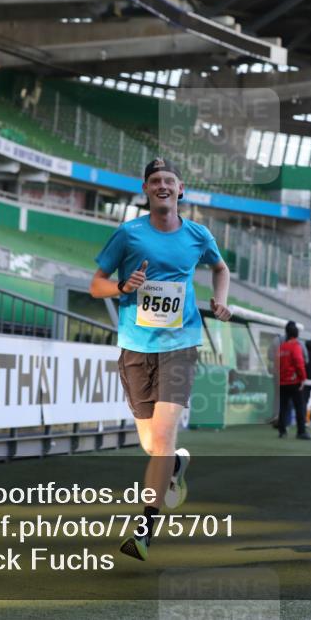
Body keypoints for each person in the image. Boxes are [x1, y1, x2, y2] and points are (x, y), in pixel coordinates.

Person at [90, 157, 231, 562]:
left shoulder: (198, 235)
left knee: (165, 437)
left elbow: (220, 269)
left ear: (180, 189)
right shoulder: (127, 235)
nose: (162, 185)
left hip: (180, 345)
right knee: (152, 445)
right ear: (147, 190)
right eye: (155, 181)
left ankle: (143, 532)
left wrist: (220, 301)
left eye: (169, 180)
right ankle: (174, 470)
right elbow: (95, 285)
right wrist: (121, 285)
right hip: (136, 347)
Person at [277, 321, 311, 440]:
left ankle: (282, 430)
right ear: (296, 334)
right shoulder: (296, 346)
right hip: (294, 381)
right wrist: (303, 378)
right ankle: (301, 431)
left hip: (282, 381)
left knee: (283, 407)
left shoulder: (281, 347)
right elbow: (299, 363)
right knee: (299, 407)